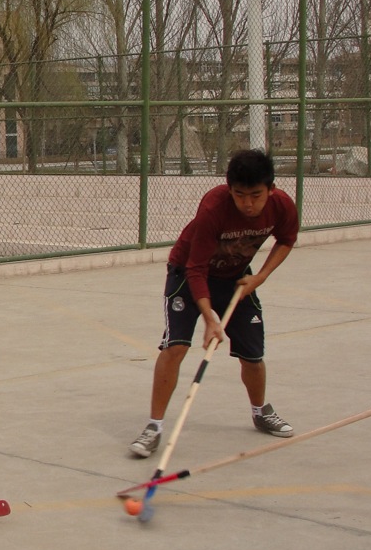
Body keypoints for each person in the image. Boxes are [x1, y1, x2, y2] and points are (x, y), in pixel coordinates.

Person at [129, 149, 300, 458]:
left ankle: (260, 411)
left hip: (236, 278)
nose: (248, 204)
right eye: (240, 195)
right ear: (229, 189)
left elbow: (286, 239)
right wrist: (209, 318)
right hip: (188, 274)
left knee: (253, 355)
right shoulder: (214, 206)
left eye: (256, 195)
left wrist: (260, 277)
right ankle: (154, 426)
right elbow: (195, 268)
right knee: (176, 347)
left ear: (271, 189)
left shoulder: (282, 206)